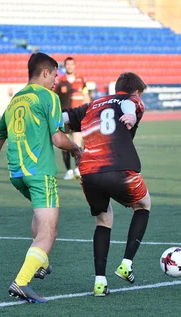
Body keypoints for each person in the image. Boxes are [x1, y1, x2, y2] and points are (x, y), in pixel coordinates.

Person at [0, 52, 82, 304]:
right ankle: (22, 281)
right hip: (40, 172)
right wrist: (77, 149)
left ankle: (41, 262)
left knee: (41, 218)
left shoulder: (16, 99)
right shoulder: (48, 97)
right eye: (55, 74)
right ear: (46, 72)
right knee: (49, 231)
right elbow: (58, 138)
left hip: (17, 173)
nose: (57, 79)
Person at [63, 72, 150, 297]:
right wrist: (130, 117)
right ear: (136, 90)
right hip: (120, 168)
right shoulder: (131, 100)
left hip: (90, 172)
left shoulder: (93, 104)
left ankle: (99, 282)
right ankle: (126, 264)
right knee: (143, 205)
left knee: (103, 219)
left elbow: (63, 118)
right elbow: (132, 104)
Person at [54, 57, 89, 180]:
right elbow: (54, 98)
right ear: (65, 66)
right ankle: (68, 170)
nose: (69, 66)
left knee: (77, 143)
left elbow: (85, 96)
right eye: (67, 64)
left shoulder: (81, 80)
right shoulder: (60, 81)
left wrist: (88, 110)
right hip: (63, 116)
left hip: (78, 115)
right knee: (65, 144)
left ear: (74, 65)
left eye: (71, 64)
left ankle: (78, 168)